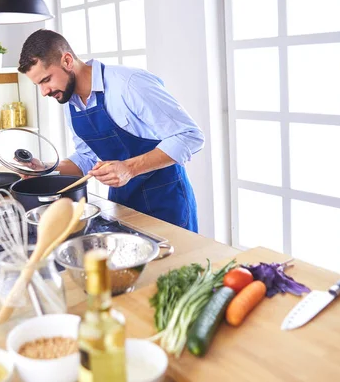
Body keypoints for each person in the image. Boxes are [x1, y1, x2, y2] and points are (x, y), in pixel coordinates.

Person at [18, 29, 204, 232]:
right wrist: (45, 170)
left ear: (67, 61)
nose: (44, 92)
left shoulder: (130, 84)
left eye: (46, 80)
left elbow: (190, 136)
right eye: (38, 85)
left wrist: (129, 168)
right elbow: (86, 157)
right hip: (123, 205)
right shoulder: (69, 102)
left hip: (167, 204)